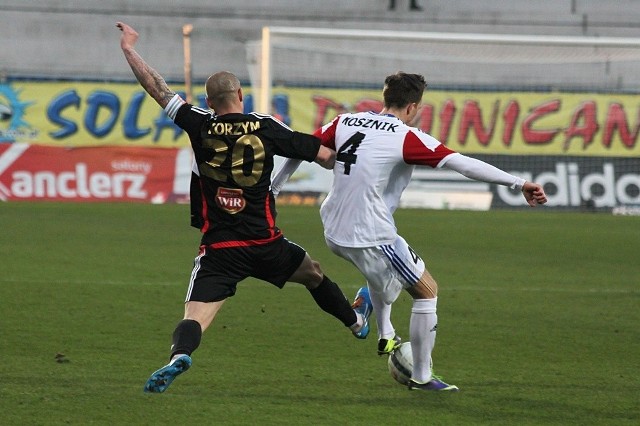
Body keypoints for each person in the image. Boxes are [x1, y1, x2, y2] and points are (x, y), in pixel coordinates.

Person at [115, 22, 372, 393]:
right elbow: (326, 156)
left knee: (196, 316)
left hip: (220, 248)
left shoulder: (199, 124)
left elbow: (157, 87)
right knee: (313, 274)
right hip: (265, 242)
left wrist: (129, 49)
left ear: (208, 102)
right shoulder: (266, 127)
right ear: (240, 93)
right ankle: (356, 323)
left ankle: (179, 356)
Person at [272, 72, 548, 391]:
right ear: (413, 106)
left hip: (332, 227)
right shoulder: (406, 136)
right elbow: (463, 164)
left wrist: (274, 189)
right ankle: (421, 376)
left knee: (383, 278)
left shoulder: (346, 121)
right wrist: (519, 183)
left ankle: (383, 330)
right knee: (426, 290)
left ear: (385, 97)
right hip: (370, 233)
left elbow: (299, 146)